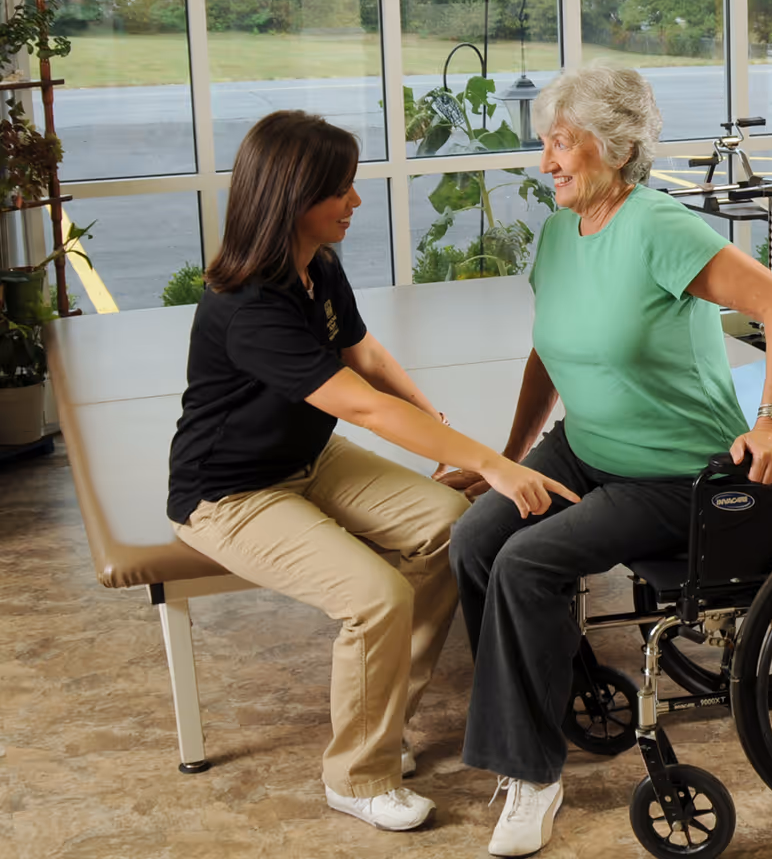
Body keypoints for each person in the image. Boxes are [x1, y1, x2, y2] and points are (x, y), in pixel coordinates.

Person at [441, 65, 772, 857]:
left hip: (672, 470)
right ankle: (556, 685)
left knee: (527, 564)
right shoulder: (560, 234)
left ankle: (534, 777)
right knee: (475, 541)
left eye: (561, 143)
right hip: (585, 445)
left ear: (614, 147)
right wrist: (506, 461)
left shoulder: (657, 227)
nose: (546, 163)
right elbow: (548, 356)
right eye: (546, 143)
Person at [167, 110, 566, 833]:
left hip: (308, 458)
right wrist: (493, 462)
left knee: (450, 526)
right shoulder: (250, 307)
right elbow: (363, 407)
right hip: (230, 492)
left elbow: (365, 353)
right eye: (341, 191)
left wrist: (436, 427)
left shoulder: (316, 263)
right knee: (375, 596)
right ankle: (357, 775)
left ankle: (377, 727)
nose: (355, 201)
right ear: (294, 198)